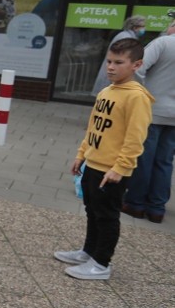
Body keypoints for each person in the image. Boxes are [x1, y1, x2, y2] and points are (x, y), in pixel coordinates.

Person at [54, 38, 153, 280]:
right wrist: (81, 155)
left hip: (112, 170)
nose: (110, 67)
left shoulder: (136, 97)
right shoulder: (107, 91)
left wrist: (120, 167)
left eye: (119, 62)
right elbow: (93, 128)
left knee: (107, 215)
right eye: (109, 61)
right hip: (93, 164)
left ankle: (101, 264)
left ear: (136, 65)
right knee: (92, 210)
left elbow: (135, 138)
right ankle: (89, 251)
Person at [122, 19, 175, 223]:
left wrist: (140, 95)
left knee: (144, 157)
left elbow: (137, 68)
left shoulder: (163, 43)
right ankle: (156, 208)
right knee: (164, 161)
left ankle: (135, 203)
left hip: (152, 111)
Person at [92, 15, 146, 95]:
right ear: (135, 27)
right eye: (142, 26)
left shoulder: (125, 35)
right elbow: (121, 59)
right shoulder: (127, 38)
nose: (144, 29)